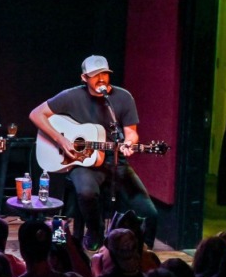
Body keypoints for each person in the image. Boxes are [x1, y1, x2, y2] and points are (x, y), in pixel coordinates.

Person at [29, 54, 158, 251]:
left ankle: (144, 254)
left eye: (105, 74)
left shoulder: (123, 98)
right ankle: (95, 229)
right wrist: (60, 139)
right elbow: (36, 114)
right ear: (84, 78)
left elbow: (131, 133)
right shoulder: (71, 96)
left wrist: (129, 143)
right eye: (95, 75)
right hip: (82, 162)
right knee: (87, 192)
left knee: (149, 213)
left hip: (116, 160)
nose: (101, 79)